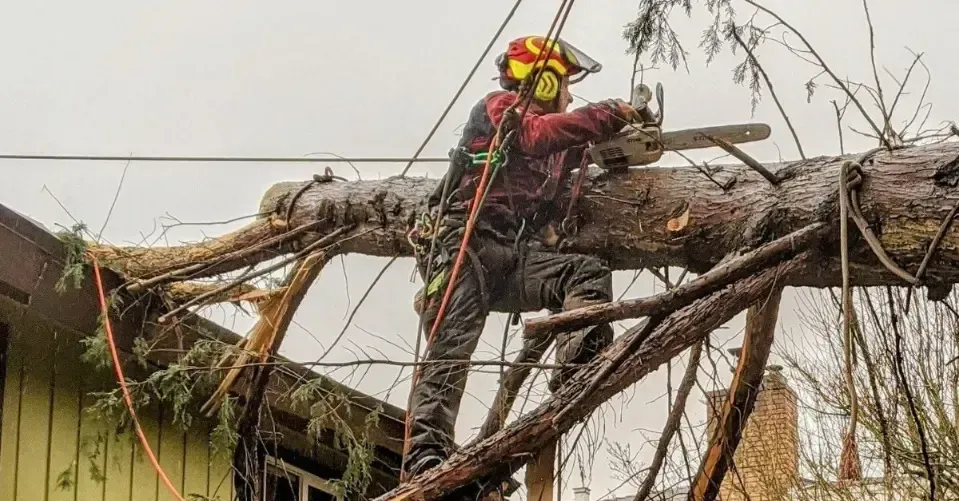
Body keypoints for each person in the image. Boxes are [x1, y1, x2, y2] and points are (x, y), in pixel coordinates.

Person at [404, 36, 641, 480]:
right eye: (565, 85)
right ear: (544, 80)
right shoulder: (500, 107)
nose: (570, 95)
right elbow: (536, 135)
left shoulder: (557, 148)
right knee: (450, 352)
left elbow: (569, 149)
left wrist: (620, 135)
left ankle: (578, 362)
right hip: (465, 247)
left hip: (512, 258)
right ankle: (425, 457)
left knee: (584, 274)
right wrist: (605, 113)